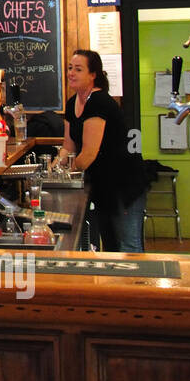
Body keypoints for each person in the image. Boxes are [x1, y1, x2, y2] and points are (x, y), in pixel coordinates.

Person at [57, 49, 147, 252]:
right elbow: (68, 147)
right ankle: (114, 284)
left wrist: (64, 174)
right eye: (70, 68)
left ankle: (137, 283)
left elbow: (88, 154)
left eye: (78, 69)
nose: (71, 73)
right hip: (103, 183)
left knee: (128, 246)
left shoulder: (99, 102)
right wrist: (54, 167)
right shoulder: (73, 104)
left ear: (93, 75)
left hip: (125, 184)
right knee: (112, 245)